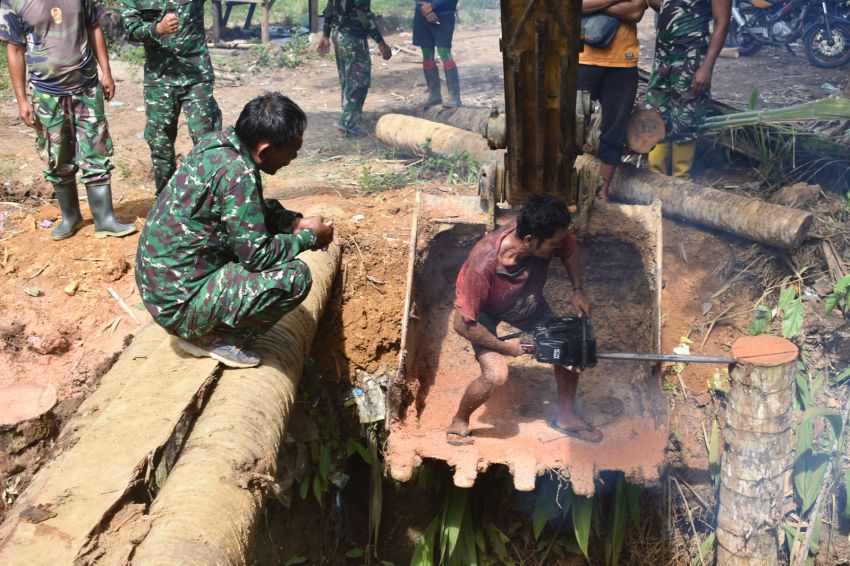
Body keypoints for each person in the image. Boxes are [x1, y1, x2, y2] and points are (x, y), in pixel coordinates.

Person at [136, 93, 336, 368]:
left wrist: (292, 223)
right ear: (264, 150)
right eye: (291, 151)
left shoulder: (218, 145)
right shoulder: (237, 174)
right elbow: (258, 256)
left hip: (164, 289)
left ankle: (204, 323)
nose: (293, 157)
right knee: (294, 278)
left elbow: (243, 211)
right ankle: (212, 338)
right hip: (180, 304)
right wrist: (310, 237)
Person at [447, 195, 600, 446]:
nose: (557, 247)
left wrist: (577, 290)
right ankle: (459, 421)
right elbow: (462, 324)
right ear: (529, 240)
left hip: (525, 302)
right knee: (496, 374)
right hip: (482, 312)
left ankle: (566, 417)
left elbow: (569, 248)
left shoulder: (547, 235)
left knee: (569, 346)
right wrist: (505, 347)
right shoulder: (484, 263)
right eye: (552, 244)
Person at [0, 0, 137, 240]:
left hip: (86, 86)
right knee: (57, 155)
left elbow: (94, 27)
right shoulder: (12, 2)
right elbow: (15, 49)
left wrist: (106, 72)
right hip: (46, 93)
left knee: (96, 150)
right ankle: (70, 216)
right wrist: (22, 99)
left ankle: (104, 219)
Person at [121, 0, 222, 194]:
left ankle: (213, 200)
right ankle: (166, 202)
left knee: (207, 140)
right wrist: (157, 28)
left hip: (196, 76)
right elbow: (131, 31)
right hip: (159, 79)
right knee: (160, 144)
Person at [645, 0, 730, 178]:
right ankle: (654, 177)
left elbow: (722, 23)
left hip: (692, 60)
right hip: (663, 57)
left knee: (686, 118)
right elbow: (660, 5)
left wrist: (707, 66)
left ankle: (680, 179)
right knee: (656, 112)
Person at [578, 0, 647, 202]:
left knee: (614, 131)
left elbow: (635, 12)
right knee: (570, 127)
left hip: (623, 62)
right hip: (581, 58)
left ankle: (601, 194)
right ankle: (565, 189)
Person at [317, 0, 392, 138]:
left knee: (347, 79)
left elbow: (329, 9)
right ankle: (346, 126)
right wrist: (381, 42)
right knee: (358, 81)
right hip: (352, 38)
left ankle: (351, 118)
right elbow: (365, 16)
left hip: (338, 34)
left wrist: (326, 34)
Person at [413, 0, 461, 107]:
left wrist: (433, 5)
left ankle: (455, 97)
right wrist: (425, 9)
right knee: (426, 52)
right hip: (421, 12)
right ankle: (434, 95)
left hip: (444, 13)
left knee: (444, 51)